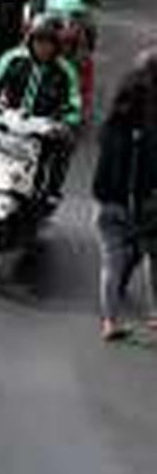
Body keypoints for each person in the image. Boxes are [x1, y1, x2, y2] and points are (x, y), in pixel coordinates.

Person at [0, 15, 83, 203]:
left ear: (56, 45)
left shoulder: (65, 71)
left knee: (62, 147)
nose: (43, 47)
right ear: (31, 40)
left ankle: (51, 190)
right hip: (10, 117)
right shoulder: (14, 58)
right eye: (39, 40)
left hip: (44, 125)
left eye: (49, 42)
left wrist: (67, 120)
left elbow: (74, 102)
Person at [93, 50, 157, 340]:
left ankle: (109, 322)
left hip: (108, 205)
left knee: (111, 264)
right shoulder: (151, 136)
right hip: (143, 207)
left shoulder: (108, 130)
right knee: (152, 256)